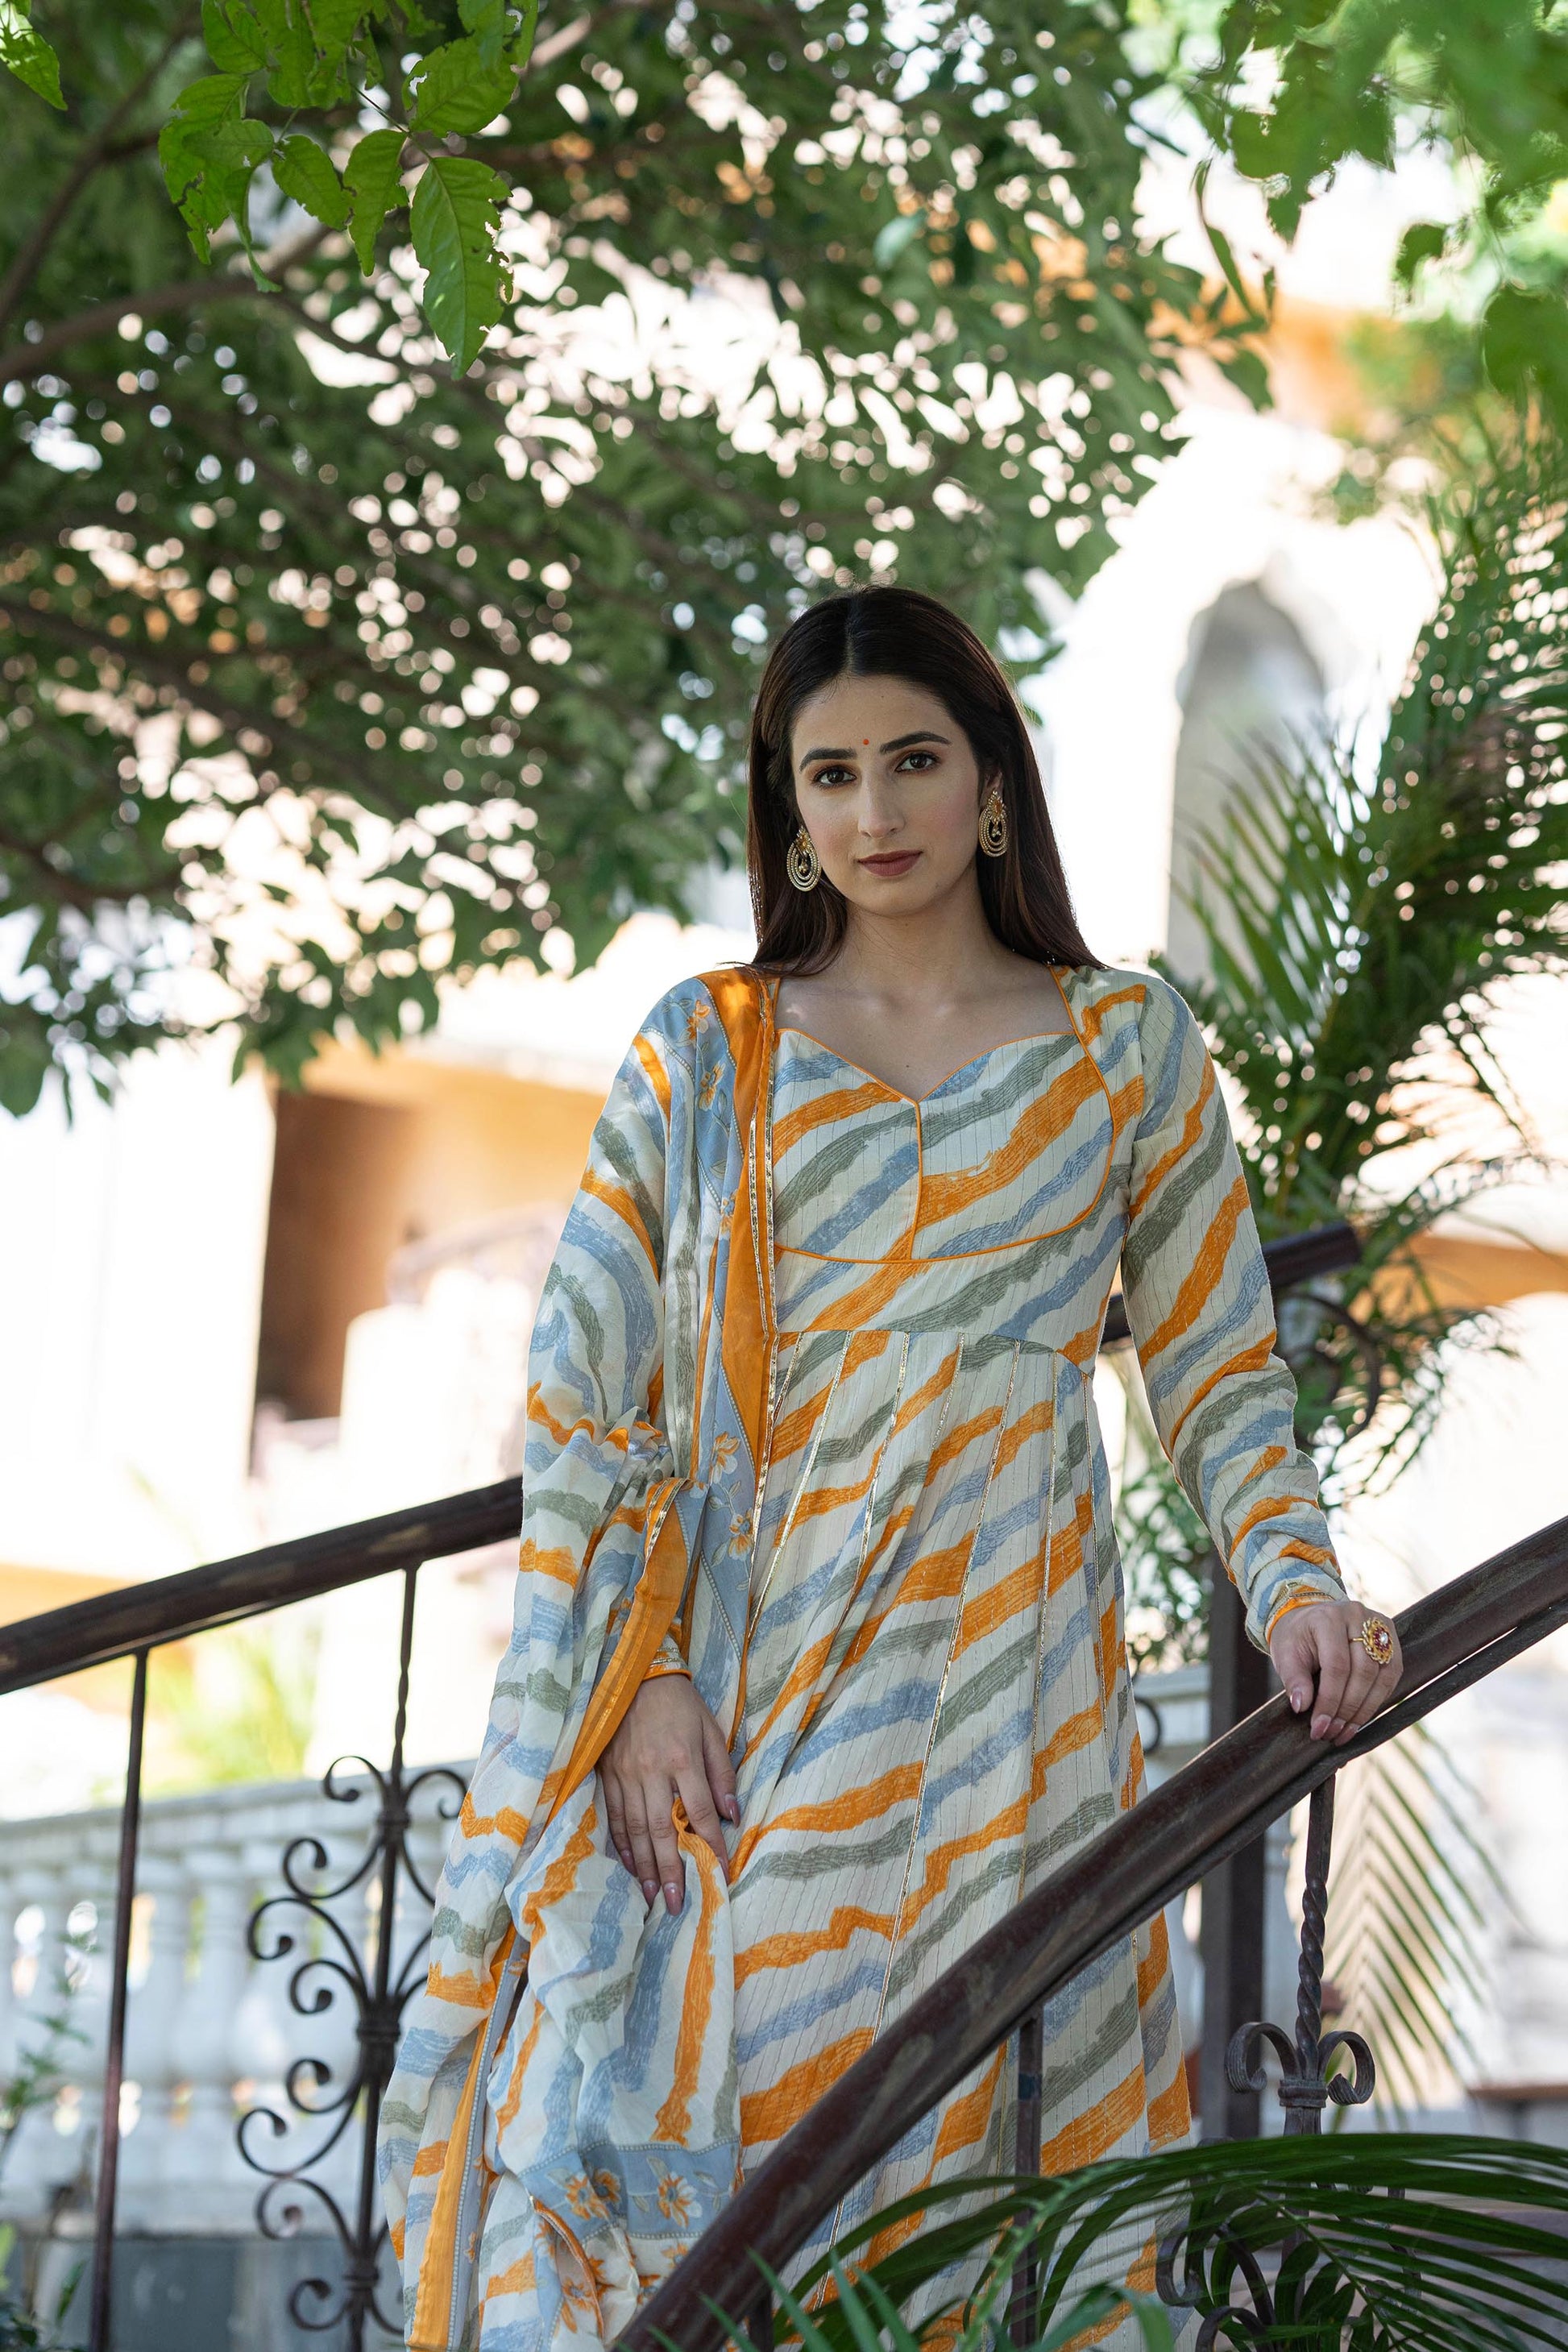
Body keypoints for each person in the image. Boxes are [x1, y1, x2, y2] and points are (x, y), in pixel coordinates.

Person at [380, 588, 1402, 2351]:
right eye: (828, 774)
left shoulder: (1124, 1045)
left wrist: (1294, 1582)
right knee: (733, 2159)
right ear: (787, 810)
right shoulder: (707, 1046)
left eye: (913, 759)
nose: (873, 811)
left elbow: (1217, 1368)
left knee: (997, 2176)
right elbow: (585, 1387)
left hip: (1020, 1699)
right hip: (752, 1694)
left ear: (991, 779)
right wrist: (644, 1679)